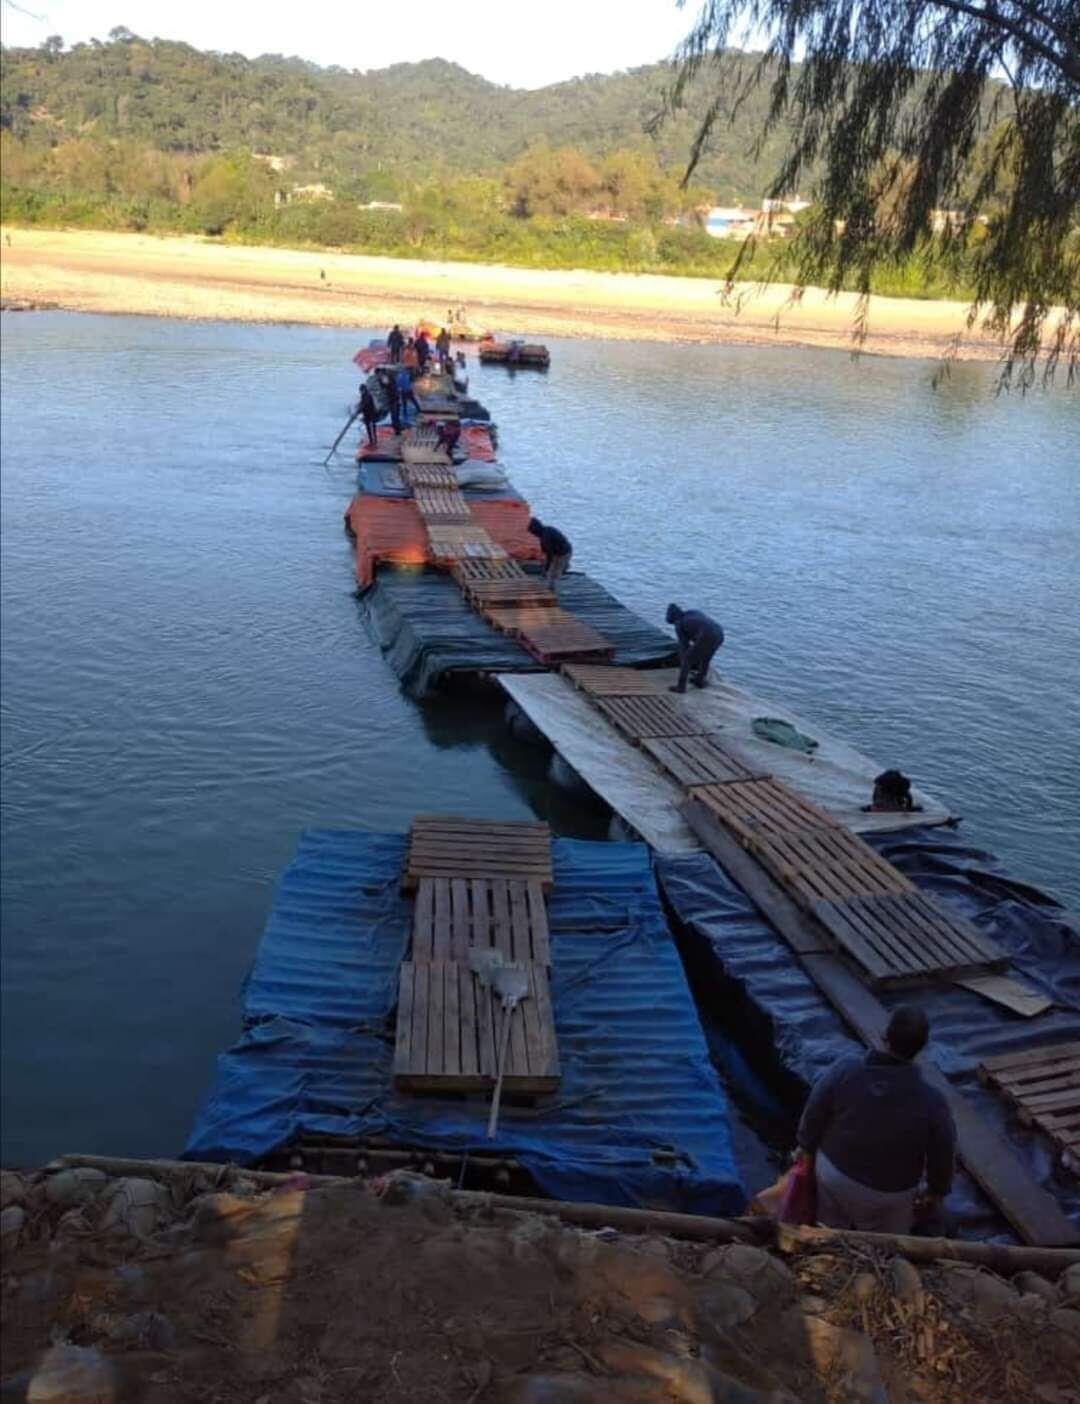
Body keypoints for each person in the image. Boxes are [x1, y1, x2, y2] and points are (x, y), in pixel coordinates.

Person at [797, 1005, 956, 1234]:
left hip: (834, 1175)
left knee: (828, 1232)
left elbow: (814, 1111)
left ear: (885, 1036)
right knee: (888, 1245)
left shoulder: (846, 1068)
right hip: (889, 1195)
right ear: (923, 1046)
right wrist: (936, 1192)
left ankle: (828, 1246)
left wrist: (806, 1149)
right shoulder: (932, 1102)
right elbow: (943, 1151)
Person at [665, 604, 724, 693]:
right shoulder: (693, 612)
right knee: (706, 658)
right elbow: (701, 626)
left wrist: (683, 660)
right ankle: (699, 680)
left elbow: (684, 647)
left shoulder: (679, 623)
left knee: (687, 659)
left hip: (707, 634)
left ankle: (681, 687)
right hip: (719, 633)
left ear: (673, 618)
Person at [527, 517, 572, 590]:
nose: (533, 535)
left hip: (564, 552)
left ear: (535, 530)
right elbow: (544, 548)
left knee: (555, 572)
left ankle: (553, 590)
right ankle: (550, 585)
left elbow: (550, 555)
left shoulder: (546, 536)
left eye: (532, 532)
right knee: (551, 570)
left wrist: (547, 567)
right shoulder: (545, 531)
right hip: (556, 551)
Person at [359, 383, 379, 449]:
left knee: (372, 428)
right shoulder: (363, 395)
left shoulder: (368, 395)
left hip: (371, 414)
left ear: (365, 389)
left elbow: (365, 404)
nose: (361, 392)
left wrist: (360, 409)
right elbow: (362, 403)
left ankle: (374, 442)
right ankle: (371, 441)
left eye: (362, 390)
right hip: (366, 414)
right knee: (368, 429)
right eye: (361, 390)